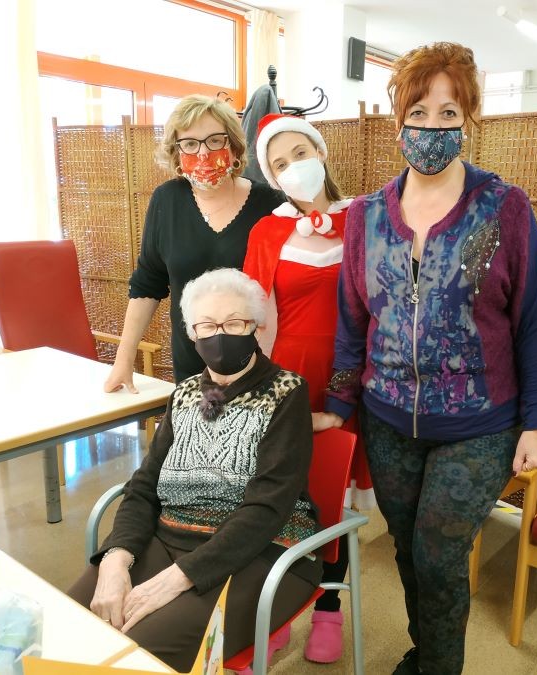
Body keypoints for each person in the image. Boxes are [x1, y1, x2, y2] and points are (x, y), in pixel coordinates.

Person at [319, 42, 537, 674]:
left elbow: (533, 321)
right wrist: (338, 401)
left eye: (448, 113)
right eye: (418, 112)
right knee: (406, 549)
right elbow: (352, 320)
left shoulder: (504, 207)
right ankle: (423, 654)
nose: (432, 127)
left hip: (479, 422)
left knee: (438, 556)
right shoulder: (367, 216)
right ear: (398, 119)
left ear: (468, 119)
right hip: (388, 417)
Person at [70, 268, 322, 672]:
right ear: (192, 333)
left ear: (255, 326)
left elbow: (267, 508)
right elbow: (144, 487)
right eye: (207, 325)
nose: (220, 335)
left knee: (136, 655)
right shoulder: (185, 393)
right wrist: (116, 559)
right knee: (72, 624)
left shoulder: (286, 392)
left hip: (263, 552)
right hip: (170, 536)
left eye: (234, 323)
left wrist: (178, 578)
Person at [242, 113, 375, 665]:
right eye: (279, 163)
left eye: (300, 153)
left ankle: (328, 610)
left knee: (332, 497)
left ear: (321, 153)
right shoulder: (266, 231)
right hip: (287, 377)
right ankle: (277, 611)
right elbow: (250, 316)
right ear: (272, 177)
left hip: (351, 379)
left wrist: (348, 394)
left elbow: (379, 307)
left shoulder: (364, 219)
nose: (293, 167)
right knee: (281, 496)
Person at [103, 94, 284, 389]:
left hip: (259, 368)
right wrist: (123, 359)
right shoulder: (166, 201)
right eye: (190, 143)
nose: (203, 153)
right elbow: (147, 284)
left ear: (233, 145)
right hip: (190, 370)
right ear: (176, 152)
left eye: (214, 140)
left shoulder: (270, 203)